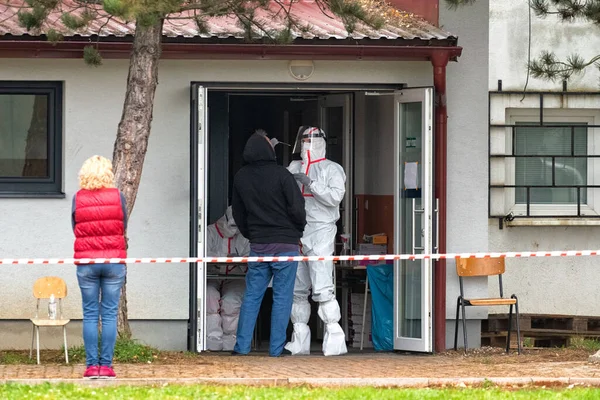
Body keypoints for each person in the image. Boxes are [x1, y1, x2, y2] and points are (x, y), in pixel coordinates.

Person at [231, 130, 307, 357]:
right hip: (285, 245)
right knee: (282, 297)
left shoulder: (241, 177)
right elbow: (297, 208)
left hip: (259, 246)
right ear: (268, 150)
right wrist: (297, 231)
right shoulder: (282, 175)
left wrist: (251, 234)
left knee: (252, 296)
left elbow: (238, 213)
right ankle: (276, 349)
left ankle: (241, 347)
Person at [285, 126, 348, 356]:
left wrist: (311, 183)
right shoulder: (293, 167)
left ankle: (334, 338)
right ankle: (299, 340)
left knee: (322, 286)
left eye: (311, 140)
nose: (306, 145)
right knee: (297, 288)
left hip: (321, 230)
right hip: (297, 230)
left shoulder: (332, 169)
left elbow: (334, 197)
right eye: (303, 140)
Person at [72, 155, 127, 379]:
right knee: (110, 314)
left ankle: (90, 366)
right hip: (114, 262)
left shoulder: (78, 198)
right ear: (108, 174)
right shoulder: (118, 196)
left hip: (87, 263)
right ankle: (106, 366)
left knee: (90, 314)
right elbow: (123, 225)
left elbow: (75, 227)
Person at [206, 206, 250, 351]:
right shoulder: (209, 231)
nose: (234, 229)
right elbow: (204, 253)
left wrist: (239, 259)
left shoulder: (244, 235)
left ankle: (230, 342)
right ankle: (212, 340)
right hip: (212, 275)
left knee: (231, 303)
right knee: (209, 298)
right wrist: (224, 258)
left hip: (235, 276)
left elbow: (250, 256)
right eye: (232, 225)